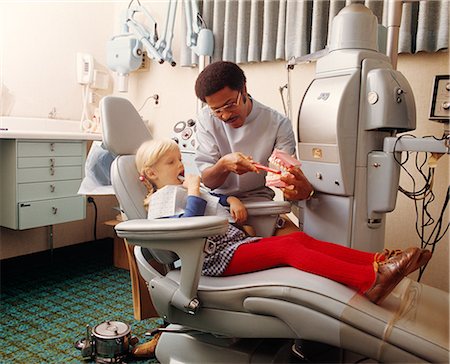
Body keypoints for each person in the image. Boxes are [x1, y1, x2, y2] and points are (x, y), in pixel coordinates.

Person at [130, 139, 431, 358]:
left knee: (297, 240)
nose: (180, 166)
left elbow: (216, 201)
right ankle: (369, 281)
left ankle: (378, 262)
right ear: (152, 174)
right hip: (211, 260)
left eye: (178, 158)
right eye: (171, 162)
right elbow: (182, 227)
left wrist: (230, 200)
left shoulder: (183, 189)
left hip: (234, 245)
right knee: (289, 251)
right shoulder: (164, 197)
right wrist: (194, 190)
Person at [194, 61, 314, 203]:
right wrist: (224, 165)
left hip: (259, 200)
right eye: (217, 110)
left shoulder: (278, 124)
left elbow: (286, 177)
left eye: (230, 105)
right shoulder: (206, 118)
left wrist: (297, 188)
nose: (225, 115)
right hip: (218, 200)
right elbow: (208, 182)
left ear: (244, 89)